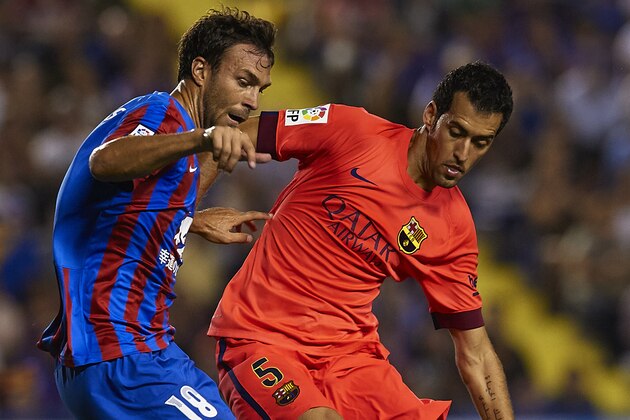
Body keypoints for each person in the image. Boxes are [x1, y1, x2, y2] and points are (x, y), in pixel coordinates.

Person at [209, 61, 515, 419]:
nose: (463, 154)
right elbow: (231, 135)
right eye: (456, 132)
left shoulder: (453, 228)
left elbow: (475, 353)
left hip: (350, 361)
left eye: (480, 142)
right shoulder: (351, 130)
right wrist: (185, 214)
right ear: (431, 115)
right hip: (261, 338)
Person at [37, 8, 276, 419]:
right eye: (243, 82)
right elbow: (106, 161)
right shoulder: (163, 113)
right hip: (119, 357)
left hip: (146, 354)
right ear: (201, 70)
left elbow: (121, 206)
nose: (252, 100)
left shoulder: (181, 152)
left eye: (259, 89)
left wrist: (190, 220)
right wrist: (201, 138)